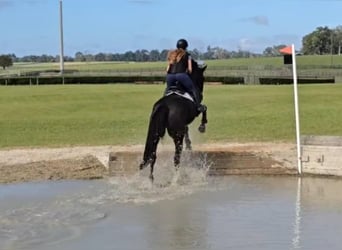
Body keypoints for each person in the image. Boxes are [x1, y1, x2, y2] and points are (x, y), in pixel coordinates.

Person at [165, 39, 204, 112]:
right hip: (181, 75)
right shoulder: (187, 55)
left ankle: (164, 105)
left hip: (170, 76)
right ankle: (198, 106)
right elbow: (190, 69)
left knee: (167, 90)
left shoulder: (172, 54)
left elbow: (167, 69)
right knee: (193, 89)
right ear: (186, 46)